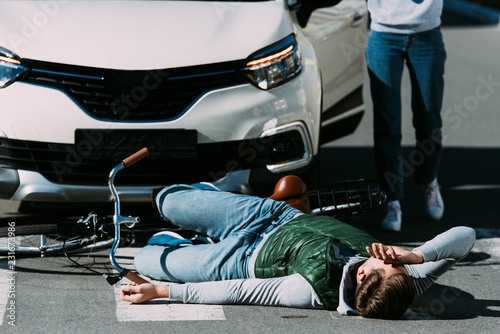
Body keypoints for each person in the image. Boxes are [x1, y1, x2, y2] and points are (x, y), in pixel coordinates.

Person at [120, 183, 475, 319]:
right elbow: (465, 236)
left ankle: (186, 242)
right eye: (395, 260)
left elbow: (238, 290)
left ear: (364, 275)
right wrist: (415, 257)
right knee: (167, 199)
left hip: (236, 260)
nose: (390, 256)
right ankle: (273, 198)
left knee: (144, 259)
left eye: (390, 262)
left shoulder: (309, 292)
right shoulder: (408, 278)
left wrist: (161, 291)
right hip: (273, 215)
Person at [365, 0, 447, 231]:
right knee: (387, 125)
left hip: (427, 33)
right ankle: (392, 199)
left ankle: (429, 181)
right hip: (384, 34)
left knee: (429, 119)